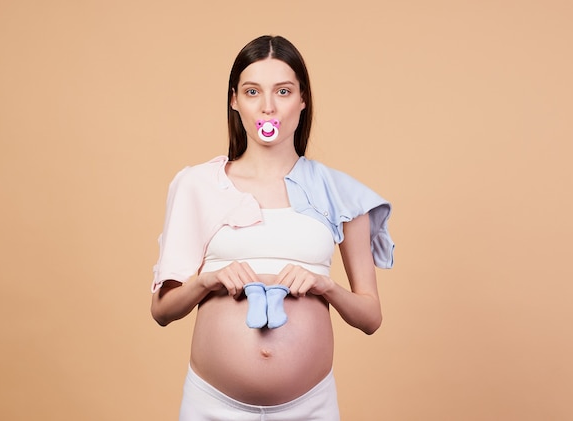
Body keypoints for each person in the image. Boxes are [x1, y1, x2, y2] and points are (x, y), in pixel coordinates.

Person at [150, 35, 394, 421]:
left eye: (283, 91)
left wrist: (324, 285)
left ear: (302, 99)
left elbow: (371, 317)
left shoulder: (341, 193)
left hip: (311, 407)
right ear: (234, 100)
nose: (268, 107)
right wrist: (208, 280)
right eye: (252, 91)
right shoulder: (197, 185)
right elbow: (162, 310)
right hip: (211, 406)